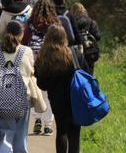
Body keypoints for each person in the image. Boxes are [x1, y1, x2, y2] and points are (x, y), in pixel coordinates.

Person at [35, 24, 90, 153]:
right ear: (65, 37)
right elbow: (86, 73)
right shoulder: (74, 53)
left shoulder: (43, 57)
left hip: (56, 101)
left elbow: (42, 85)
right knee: (74, 133)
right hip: (75, 99)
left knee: (61, 131)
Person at [0, 21, 34, 153]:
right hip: (22, 98)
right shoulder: (26, 51)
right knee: (21, 135)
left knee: (5, 136)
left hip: (1, 98)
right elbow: (31, 71)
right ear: (21, 35)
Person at [22, 0, 58, 136]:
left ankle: (37, 119)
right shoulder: (54, 24)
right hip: (49, 59)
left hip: (33, 59)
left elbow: (24, 41)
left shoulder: (30, 24)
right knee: (48, 94)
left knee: (34, 91)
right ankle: (48, 125)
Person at [70, 3, 101, 73]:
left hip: (77, 54)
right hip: (90, 53)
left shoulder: (72, 24)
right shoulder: (91, 22)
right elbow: (98, 36)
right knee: (89, 73)